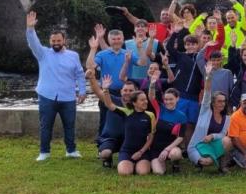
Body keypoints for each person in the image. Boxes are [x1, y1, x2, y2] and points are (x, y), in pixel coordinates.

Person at [25, 11, 86, 162]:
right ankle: (44, 152)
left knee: (70, 125)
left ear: (64, 40)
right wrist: (30, 29)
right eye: (53, 41)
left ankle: (71, 150)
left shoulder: (74, 56)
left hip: (68, 97)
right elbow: (33, 43)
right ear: (50, 41)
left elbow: (79, 74)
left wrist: (83, 91)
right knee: (46, 126)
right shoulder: (43, 54)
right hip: (47, 96)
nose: (56, 43)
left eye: (58, 40)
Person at [88, 70, 155, 176]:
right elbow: (106, 100)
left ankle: (138, 163)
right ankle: (109, 160)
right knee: (111, 159)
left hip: (136, 145)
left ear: (136, 92)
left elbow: (150, 135)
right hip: (114, 139)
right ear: (121, 91)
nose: (127, 92)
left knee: (143, 172)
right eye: (125, 90)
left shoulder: (146, 111)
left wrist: (141, 152)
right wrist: (98, 83)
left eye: (131, 90)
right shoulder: (121, 107)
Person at [187, 61, 233, 172]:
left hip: (213, 143)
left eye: (224, 101)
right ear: (213, 102)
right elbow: (207, 92)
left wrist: (212, 136)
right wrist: (208, 76)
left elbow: (222, 134)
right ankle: (200, 163)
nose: (222, 103)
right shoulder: (205, 111)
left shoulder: (227, 118)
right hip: (197, 145)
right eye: (219, 101)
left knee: (227, 141)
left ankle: (222, 165)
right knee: (207, 162)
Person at [87, 24, 127, 136]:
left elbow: (142, 63)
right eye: (113, 39)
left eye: (118, 39)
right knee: (104, 118)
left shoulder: (128, 54)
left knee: (124, 118)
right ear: (109, 40)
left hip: (125, 93)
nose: (116, 41)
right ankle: (102, 143)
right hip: (107, 91)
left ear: (123, 39)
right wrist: (93, 49)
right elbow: (90, 66)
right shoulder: (102, 54)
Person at [146, 83, 186, 175]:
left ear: (177, 98)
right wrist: (152, 84)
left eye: (171, 99)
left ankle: (175, 164)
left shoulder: (181, 116)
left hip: (171, 147)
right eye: (166, 99)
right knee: (159, 172)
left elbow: (180, 137)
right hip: (155, 147)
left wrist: (167, 150)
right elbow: (151, 97)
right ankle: (160, 162)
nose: (168, 102)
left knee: (176, 154)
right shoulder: (160, 109)